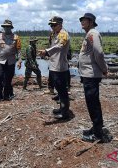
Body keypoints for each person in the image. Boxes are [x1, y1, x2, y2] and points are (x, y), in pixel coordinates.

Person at [78, 13, 108, 142]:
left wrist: (104, 69)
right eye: (82, 20)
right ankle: (96, 127)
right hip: (88, 74)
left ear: (90, 22)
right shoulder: (89, 33)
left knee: (93, 104)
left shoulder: (93, 34)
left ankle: (98, 134)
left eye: (84, 20)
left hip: (91, 75)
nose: (82, 22)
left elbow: (99, 52)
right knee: (92, 103)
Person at [39, 16, 71, 120]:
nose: (52, 27)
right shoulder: (54, 34)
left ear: (60, 24)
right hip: (53, 64)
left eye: (54, 25)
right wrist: (46, 54)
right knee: (57, 87)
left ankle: (65, 112)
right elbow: (52, 45)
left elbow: (59, 46)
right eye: (51, 25)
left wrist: (47, 51)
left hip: (60, 66)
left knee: (62, 90)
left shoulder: (64, 34)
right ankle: (61, 108)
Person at [0, 20, 22, 104]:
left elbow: (19, 50)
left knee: (8, 79)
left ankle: (6, 95)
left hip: (11, 62)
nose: (6, 28)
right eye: (5, 27)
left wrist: (19, 61)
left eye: (8, 27)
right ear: (3, 27)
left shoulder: (16, 37)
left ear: (11, 27)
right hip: (0, 61)